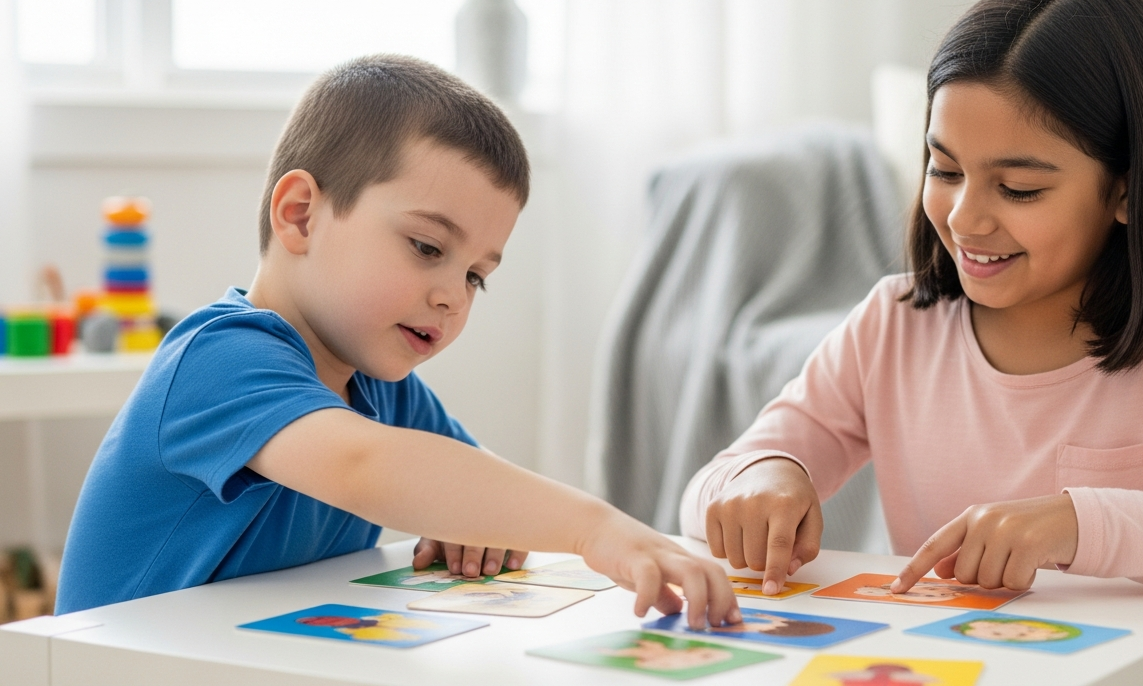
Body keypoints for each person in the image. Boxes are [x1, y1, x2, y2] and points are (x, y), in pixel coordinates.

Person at [680, 0, 1143, 632]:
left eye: (1018, 188)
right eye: (945, 168)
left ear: (1126, 189)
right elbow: (708, 490)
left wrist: (1082, 524)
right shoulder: (893, 326)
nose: (964, 218)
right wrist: (765, 475)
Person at [57, 55, 741, 632]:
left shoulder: (385, 392)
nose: (453, 294)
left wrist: (468, 516)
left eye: (476, 275)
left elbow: (464, 486)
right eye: (426, 247)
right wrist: (598, 530)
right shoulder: (218, 360)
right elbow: (367, 467)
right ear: (301, 215)